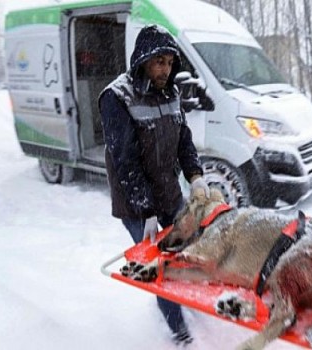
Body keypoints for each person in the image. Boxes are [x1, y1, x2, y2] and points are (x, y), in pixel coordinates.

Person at [98, 24, 213, 345]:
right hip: (136, 205)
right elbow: (125, 160)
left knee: (187, 255)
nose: (165, 68)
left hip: (169, 194)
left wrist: (196, 176)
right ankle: (179, 333)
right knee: (160, 268)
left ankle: (193, 305)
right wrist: (144, 209)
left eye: (169, 61)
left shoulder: (171, 92)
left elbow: (183, 140)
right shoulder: (116, 97)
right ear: (142, 60)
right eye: (158, 61)